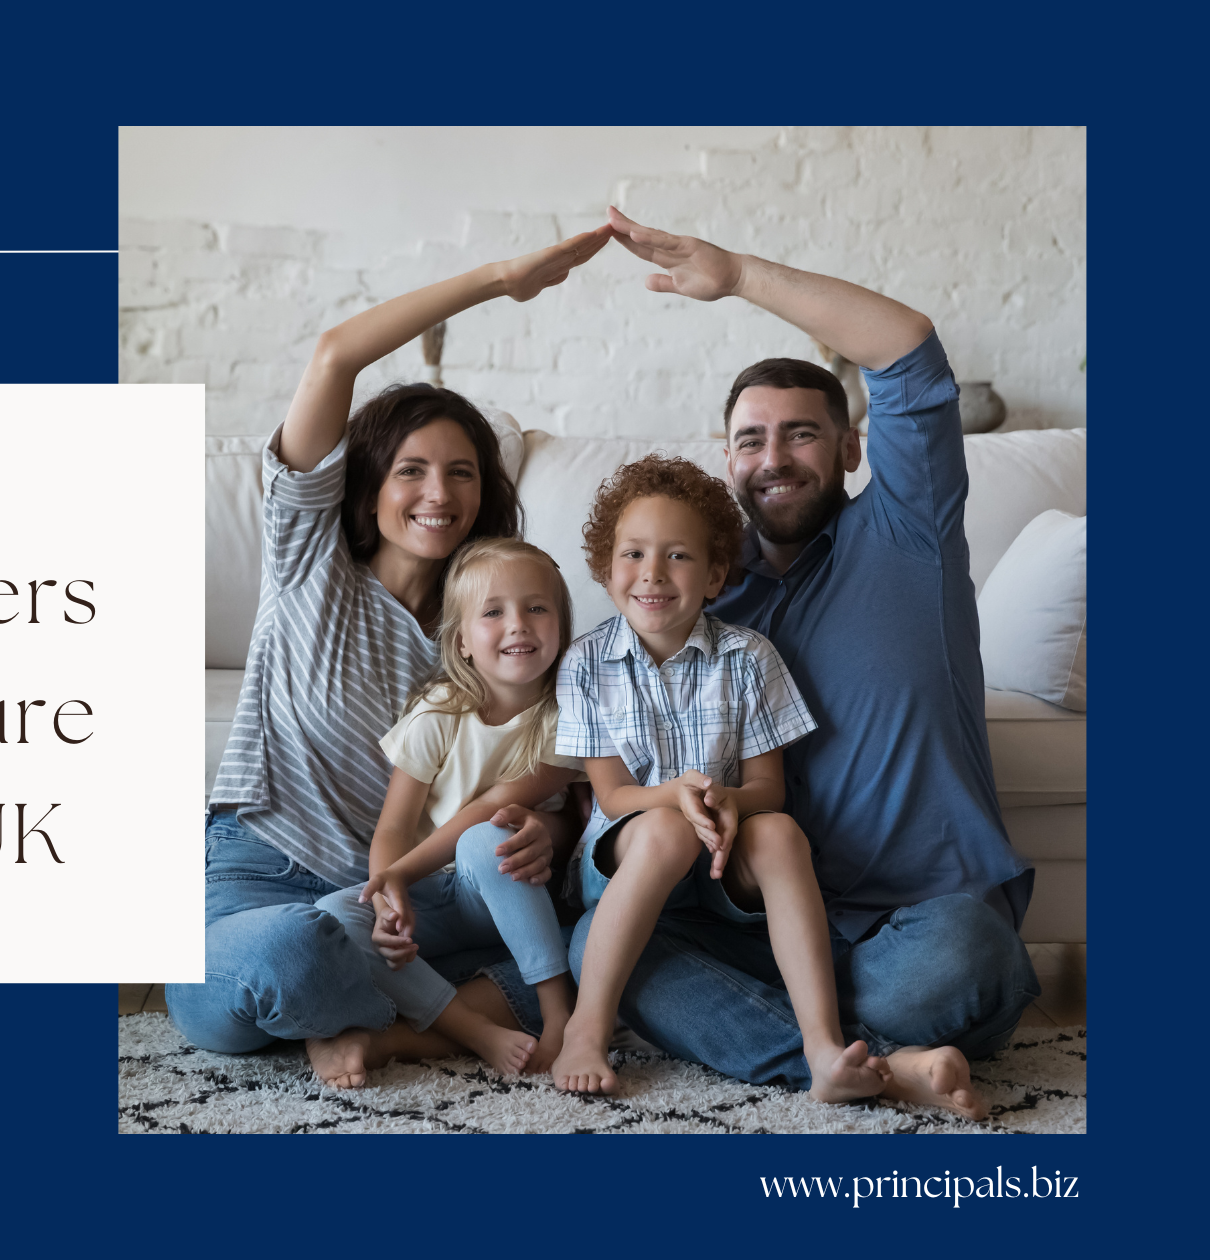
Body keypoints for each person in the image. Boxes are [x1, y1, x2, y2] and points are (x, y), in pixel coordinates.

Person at [568, 207, 1041, 1119]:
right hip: (755, 916)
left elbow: (906, 348)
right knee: (604, 948)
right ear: (728, 460)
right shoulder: (698, 590)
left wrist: (737, 274)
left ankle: (807, 1035)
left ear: (852, 447)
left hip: (917, 916)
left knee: (962, 971)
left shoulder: (909, 530)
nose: (774, 458)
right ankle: (868, 1062)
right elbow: (598, 720)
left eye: (802, 434)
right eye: (751, 440)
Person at [168, 225, 615, 1089]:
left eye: (462, 473)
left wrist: (549, 832)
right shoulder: (308, 562)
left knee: (601, 961)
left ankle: (373, 1024)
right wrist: (499, 276)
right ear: (367, 484)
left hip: (421, 904)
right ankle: (387, 1014)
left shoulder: (497, 631)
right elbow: (335, 355)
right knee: (289, 953)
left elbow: (539, 771)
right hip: (262, 876)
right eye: (411, 470)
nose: (438, 494)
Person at [546, 455, 884, 1106]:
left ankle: (822, 1046)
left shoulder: (749, 658)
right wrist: (676, 797)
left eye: (677, 557)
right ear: (605, 568)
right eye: (634, 554)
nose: (652, 574)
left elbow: (768, 790)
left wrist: (726, 800)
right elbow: (613, 798)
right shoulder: (586, 662)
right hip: (624, 856)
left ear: (715, 576)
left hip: (721, 859)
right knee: (667, 829)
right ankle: (587, 1029)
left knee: (781, 833)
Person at [311, 539, 582, 1079]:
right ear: (462, 642)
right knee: (338, 917)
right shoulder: (439, 713)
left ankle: (558, 1016)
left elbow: (495, 805)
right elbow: (393, 827)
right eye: (493, 612)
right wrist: (388, 895)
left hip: (511, 890)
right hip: (440, 894)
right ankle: (471, 1029)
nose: (518, 624)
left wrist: (401, 872)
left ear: (561, 626)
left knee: (489, 837)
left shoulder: (569, 715)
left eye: (536, 607)